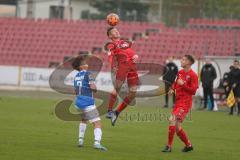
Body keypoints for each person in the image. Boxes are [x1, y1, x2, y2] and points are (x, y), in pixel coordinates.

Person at [162, 55, 198, 153]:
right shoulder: (180, 72)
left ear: (189, 63)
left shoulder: (193, 75)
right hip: (178, 102)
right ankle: (188, 145)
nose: (181, 61)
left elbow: (193, 91)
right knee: (177, 128)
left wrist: (184, 85)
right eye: (181, 59)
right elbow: (175, 82)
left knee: (172, 119)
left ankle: (168, 146)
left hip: (185, 103)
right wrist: (172, 89)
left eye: (183, 60)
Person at [105, 27, 139, 126]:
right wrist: (114, 66)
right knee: (117, 88)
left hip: (132, 66)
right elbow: (111, 56)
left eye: (117, 30)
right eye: (114, 31)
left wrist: (135, 55)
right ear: (110, 36)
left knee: (133, 93)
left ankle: (117, 112)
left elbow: (130, 51)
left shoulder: (124, 42)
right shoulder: (111, 45)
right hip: (122, 66)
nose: (117, 31)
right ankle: (109, 111)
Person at [72, 56, 107, 151]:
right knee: (97, 123)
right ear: (82, 66)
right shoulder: (88, 74)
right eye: (85, 62)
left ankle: (80, 140)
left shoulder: (76, 76)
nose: (87, 64)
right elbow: (93, 87)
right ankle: (97, 143)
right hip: (88, 102)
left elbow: (75, 90)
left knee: (84, 119)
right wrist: (95, 89)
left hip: (78, 102)